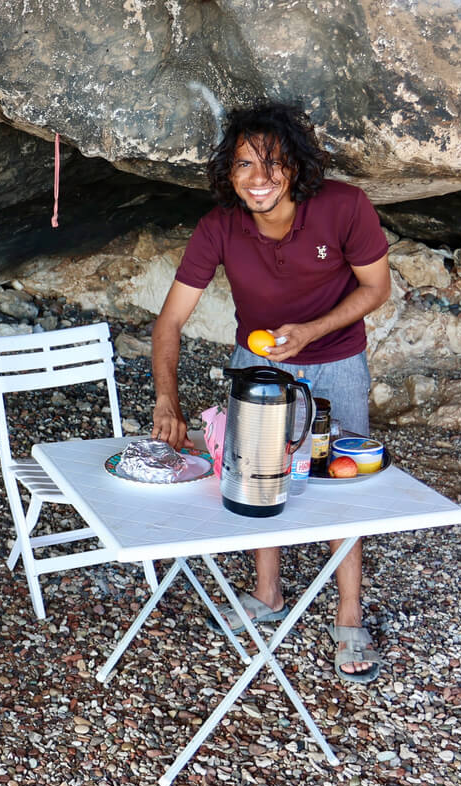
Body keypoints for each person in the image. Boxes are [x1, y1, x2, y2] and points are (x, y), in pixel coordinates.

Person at [150, 101, 391, 683]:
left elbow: (376, 288)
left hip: (337, 363)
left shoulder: (343, 207)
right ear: (228, 174)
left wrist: (310, 330)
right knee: (256, 478)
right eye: (244, 166)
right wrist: (166, 399)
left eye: (273, 164)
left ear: (297, 167)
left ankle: (349, 614)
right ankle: (268, 593)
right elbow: (169, 323)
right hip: (256, 368)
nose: (259, 179)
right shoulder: (219, 227)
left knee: (345, 488)